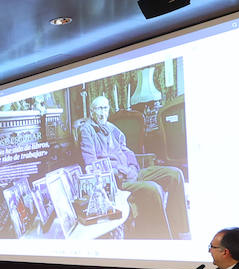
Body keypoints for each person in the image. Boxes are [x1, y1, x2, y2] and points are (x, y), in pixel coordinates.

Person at [77, 95, 188, 239]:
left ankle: (177, 227)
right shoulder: (87, 131)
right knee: (153, 188)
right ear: (92, 112)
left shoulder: (111, 128)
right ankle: (162, 238)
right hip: (117, 180)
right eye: (99, 108)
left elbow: (127, 151)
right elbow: (91, 164)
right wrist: (123, 171)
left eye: (105, 108)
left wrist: (133, 167)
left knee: (175, 174)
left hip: (131, 171)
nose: (102, 112)